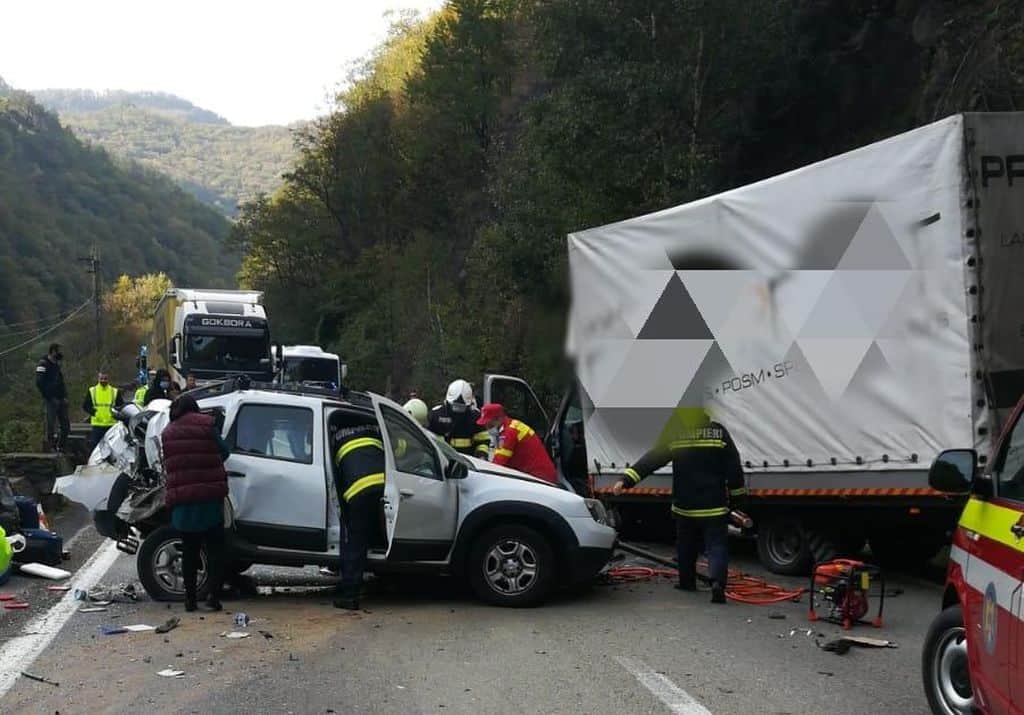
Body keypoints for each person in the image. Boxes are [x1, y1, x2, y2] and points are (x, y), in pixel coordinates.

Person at [611, 407, 745, 604]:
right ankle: (717, 583)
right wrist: (737, 499)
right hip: (713, 507)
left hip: (685, 506)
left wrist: (626, 480)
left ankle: (687, 582)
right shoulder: (718, 432)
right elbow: (734, 468)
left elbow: (653, 459)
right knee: (716, 546)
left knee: (686, 546)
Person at [161, 395, 229, 613]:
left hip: (183, 500)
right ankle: (213, 597)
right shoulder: (207, 425)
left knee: (189, 552)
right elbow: (224, 451)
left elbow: (168, 463)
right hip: (209, 498)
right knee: (215, 551)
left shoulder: (168, 433)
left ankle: (190, 600)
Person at [332, 423, 387, 610]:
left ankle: (350, 595)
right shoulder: (373, 428)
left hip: (358, 490)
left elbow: (335, 476)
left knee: (355, 541)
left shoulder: (335, 436)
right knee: (377, 531)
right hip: (383, 486)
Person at [477, 403, 558, 483]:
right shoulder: (511, 426)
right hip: (535, 475)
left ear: (499, 419)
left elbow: (498, 465)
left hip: (539, 478)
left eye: (490, 425)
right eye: (485, 425)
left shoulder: (509, 432)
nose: (487, 428)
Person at [427, 379, 490, 458]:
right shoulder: (436, 414)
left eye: (462, 407)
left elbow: (483, 440)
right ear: (448, 401)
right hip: (442, 458)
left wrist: (481, 454)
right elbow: (428, 439)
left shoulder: (475, 416)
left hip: (469, 460)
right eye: (456, 406)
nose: (458, 410)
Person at [35, 343, 69, 452]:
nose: (60, 354)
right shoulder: (43, 363)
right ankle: (51, 447)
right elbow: (39, 383)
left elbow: (61, 382)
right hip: (50, 400)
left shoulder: (57, 364)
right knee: (50, 424)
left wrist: (64, 396)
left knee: (65, 425)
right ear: (53, 351)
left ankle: (61, 446)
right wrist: (50, 397)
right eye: (58, 351)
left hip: (60, 399)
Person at [82, 371, 123, 451]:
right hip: (98, 424)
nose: (103, 380)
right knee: (95, 447)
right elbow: (85, 406)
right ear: (98, 379)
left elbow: (121, 406)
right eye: (101, 378)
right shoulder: (92, 391)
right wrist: (94, 413)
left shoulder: (114, 391)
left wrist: (116, 415)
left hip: (111, 424)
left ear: (108, 379)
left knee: (113, 448)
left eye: (105, 379)